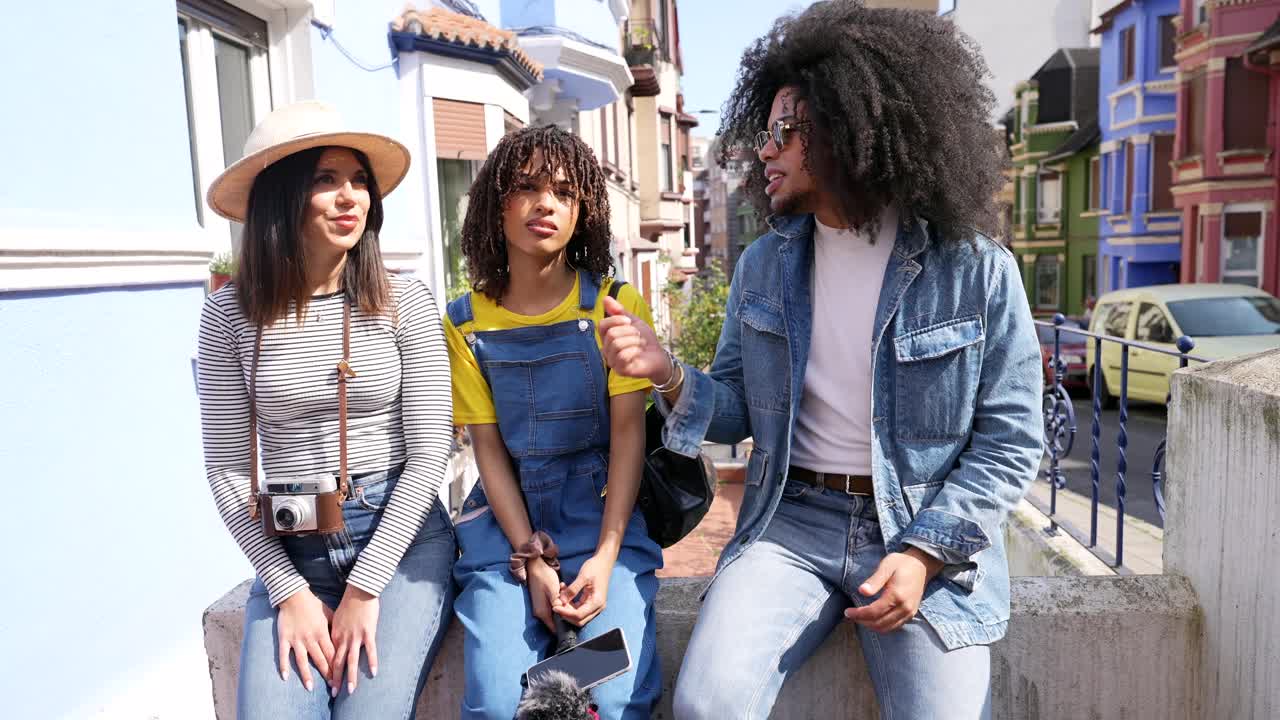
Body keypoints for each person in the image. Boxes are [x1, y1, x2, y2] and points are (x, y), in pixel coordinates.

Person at [598, 3, 1044, 718]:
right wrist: (667, 372)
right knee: (706, 705)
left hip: (919, 528)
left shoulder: (976, 272)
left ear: (848, 130)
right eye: (763, 133)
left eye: (783, 133)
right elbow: (739, 408)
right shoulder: (763, 267)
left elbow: (1012, 439)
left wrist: (925, 553)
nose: (763, 153)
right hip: (790, 520)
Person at [197, 100, 457, 719]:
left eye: (359, 180)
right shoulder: (228, 315)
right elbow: (230, 470)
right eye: (326, 180)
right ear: (283, 196)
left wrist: (366, 587)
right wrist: (288, 591)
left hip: (401, 542)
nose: (350, 197)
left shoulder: (406, 302)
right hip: (291, 548)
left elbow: (429, 453)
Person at [443, 125, 663, 719]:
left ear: (582, 212)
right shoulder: (463, 322)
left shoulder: (613, 305)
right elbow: (486, 449)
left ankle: (557, 679)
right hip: (505, 532)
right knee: (495, 703)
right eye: (527, 187)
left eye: (565, 193)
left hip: (602, 523)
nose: (546, 203)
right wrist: (530, 558)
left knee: (613, 696)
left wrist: (605, 556)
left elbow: (628, 435)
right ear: (496, 205)